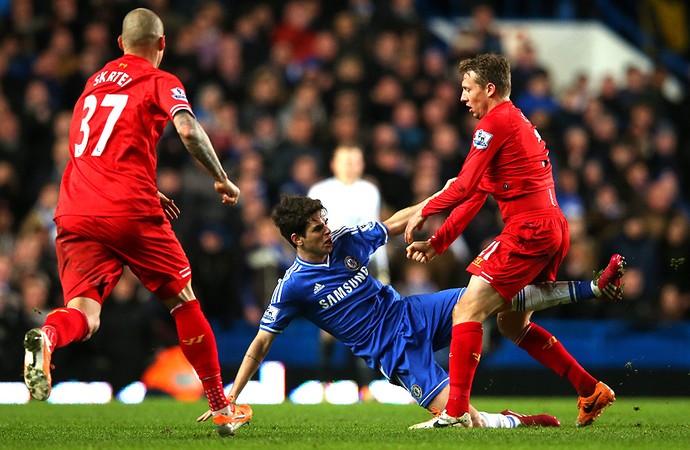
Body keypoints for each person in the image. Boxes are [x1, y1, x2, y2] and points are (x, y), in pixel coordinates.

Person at [196, 194, 626, 431]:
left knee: (489, 295)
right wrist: (231, 394)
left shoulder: (345, 241)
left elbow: (394, 223)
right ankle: (517, 422)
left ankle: (591, 287)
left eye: (326, 222)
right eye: (317, 229)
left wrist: (440, 198)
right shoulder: (292, 287)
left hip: (413, 313)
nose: (327, 231)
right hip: (393, 352)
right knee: (464, 423)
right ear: (297, 238)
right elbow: (260, 344)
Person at [21, 8, 246, 437]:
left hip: (74, 206)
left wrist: (143, 182)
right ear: (162, 44)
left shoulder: (92, 83)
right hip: (126, 208)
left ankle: (48, 336)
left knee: (84, 315)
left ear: (120, 44)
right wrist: (222, 178)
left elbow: (93, 147)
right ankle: (221, 407)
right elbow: (188, 130)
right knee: (183, 299)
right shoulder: (162, 80)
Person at [403, 53, 624, 428]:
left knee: (467, 310)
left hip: (529, 228)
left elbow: (464, 185)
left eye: (467, 88)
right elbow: (475, 195)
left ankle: (455, 413)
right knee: (511, 322)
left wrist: (424, 211)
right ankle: (589, 389)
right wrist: (439, 242)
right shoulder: (515, 122)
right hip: (551, 226)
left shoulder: (495, 123)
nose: (462, 97)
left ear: (489, 89)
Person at [307, 144, 389, 388]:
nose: (351, 166)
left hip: (364, 265)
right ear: (334, 164)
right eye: (346, 161)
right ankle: (324, 384)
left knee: (366, 324)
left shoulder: (369, 191)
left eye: (355, 161)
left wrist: (382, 269)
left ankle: (367, 386)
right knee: (329, 327)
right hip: (330, 265)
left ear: (362, 164)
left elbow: (376, 231)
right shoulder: (319, 190)